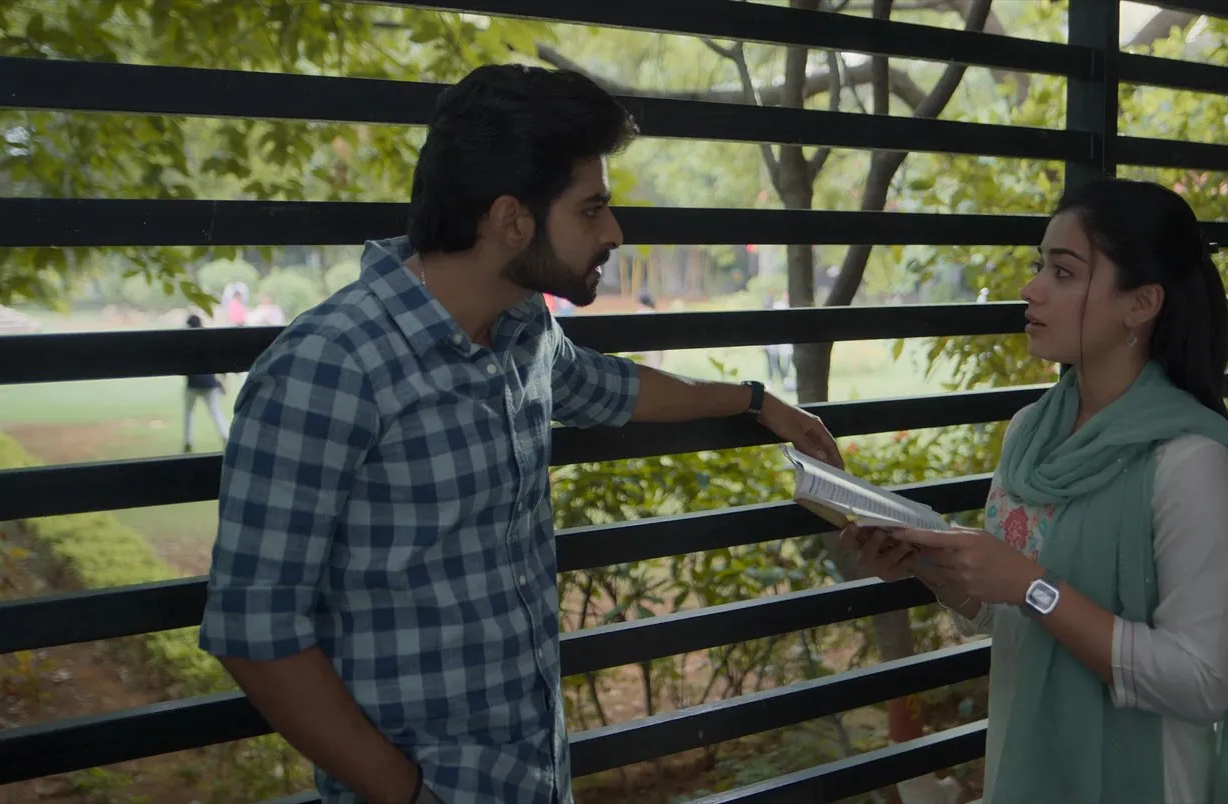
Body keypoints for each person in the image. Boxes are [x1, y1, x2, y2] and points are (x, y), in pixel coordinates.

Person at [197, 64, 843, 804]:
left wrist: (758, 401)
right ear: (511, 220)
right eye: (592, 209)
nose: (614, 232)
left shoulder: (521, 331)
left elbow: (611, 387)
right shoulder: (329, 367)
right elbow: (254, 627)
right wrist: (408, 794)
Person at [843, 178, 1228, 804]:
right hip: (1027, 765)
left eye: (1064, 272)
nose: (1032, 288)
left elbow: (1201, 682)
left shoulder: (1193, 465)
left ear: (1141, 303)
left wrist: (1032, 585)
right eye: (1039, 266)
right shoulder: (1031, 436)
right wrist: (934, 568)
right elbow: (1009, 616)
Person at [180, 314, 230, 453]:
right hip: (209, 383)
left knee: (188, 413)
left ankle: (188, 441)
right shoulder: (208, 339)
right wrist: (222, 381)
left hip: (193, 383)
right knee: (216, 412)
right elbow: (218, 361)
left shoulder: (187, 341)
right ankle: (225, 436)